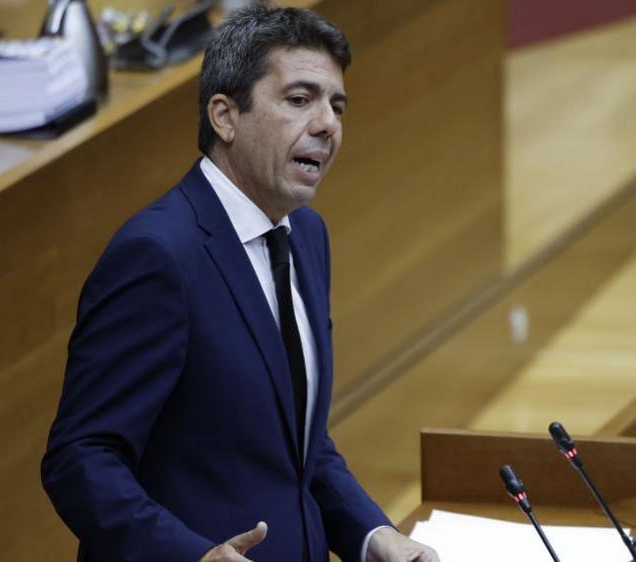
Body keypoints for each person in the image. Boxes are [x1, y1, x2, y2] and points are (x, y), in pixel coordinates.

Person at [40, 5, 439, 562]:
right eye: (300, 100)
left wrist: (373, 535)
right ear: (225, 117)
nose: (328, 124)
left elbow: (297, 445)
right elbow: (79, 458)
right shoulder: (157, 257)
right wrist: (192, 555)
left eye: (336, 104)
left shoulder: (305, 234)